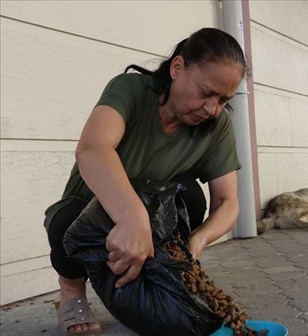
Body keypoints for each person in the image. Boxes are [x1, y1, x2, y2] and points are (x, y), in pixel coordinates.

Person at [44, 28, 246, 335]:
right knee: (66, 224)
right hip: (90, 208)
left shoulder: (217, 126)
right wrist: (131, 216)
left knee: (190, 195)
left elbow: (227, 202)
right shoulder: (132, 90)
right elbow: (92, 149)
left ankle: (160, 274)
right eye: (206, 93)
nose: (212, 108)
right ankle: (71, 293)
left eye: (223, 99)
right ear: (177, 68)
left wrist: (198, 241)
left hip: (151, 217)